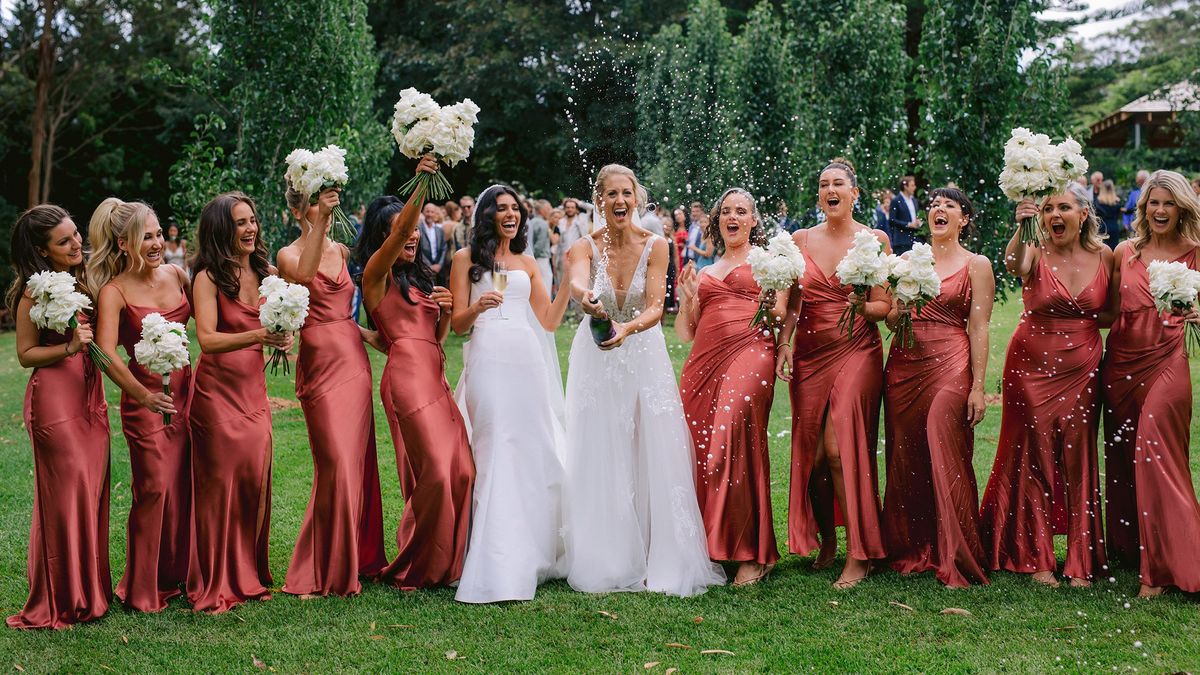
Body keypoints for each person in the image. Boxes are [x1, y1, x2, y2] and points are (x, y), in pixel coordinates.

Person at [563, 164, 724, 597]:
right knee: (602, 443)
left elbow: (656, 307)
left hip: (641, 350)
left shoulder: (655, 245)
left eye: (625, 193)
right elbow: (578, 282)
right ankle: (609, 552)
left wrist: (626, 329)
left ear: (637, 198)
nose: (619, 201)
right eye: (610, 194)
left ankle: (657, 550)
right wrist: (587, 299)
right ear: (599, 201)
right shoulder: (584, 245)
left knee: (650, 443)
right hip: (595, 355)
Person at [979, 181, 1113, 588]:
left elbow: (1112, 314)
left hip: (1083, 368)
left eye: (1064, 208)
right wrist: (1022, 226)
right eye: (1048, 209)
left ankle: (1080, 558)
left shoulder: (1105, 255)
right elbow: (1013, 265)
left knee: (1078, 455)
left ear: (1083, 214)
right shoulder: (1034, 250)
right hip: (1031, 364)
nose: (1056, 215)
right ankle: (1035, 555)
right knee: (1034, 452)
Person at [450, 183, 571, 604]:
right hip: (487, 358)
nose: (511, 214)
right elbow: (456, 326)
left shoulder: (527, 262)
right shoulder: (466, 260)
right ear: (486, 215)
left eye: (514, 209)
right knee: (494, 445)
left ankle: (533, 548)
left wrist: (570, 283)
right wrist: (478, 307)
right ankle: (494, 555)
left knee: (529, 446)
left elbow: (550, 321)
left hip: (525, 360)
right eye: (501, 209)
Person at [775, 158, 891, 589]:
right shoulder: (800, 239)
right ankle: (827, 540)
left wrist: (863, 306)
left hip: (857, 349)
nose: (830, 189)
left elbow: (884, 307)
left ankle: (861, 553)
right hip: (808, 354)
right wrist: (784, 343)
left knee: (840, 450)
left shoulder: (873, 239)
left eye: (838, 183)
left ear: (854, 193)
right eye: (823, 184)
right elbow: (791, 304)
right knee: (816, 456)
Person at [361, 157, 475, 590]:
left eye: (414, 232)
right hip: (406, 381)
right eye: (402, 231)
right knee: (435, 474)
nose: (411, 236)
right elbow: (400, 230)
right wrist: (423, 183)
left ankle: (449, 561)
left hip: (436, 377)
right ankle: (420, 562)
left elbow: (437, 336)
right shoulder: (376, 275)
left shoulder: (419, 280)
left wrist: (445, 312)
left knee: (462, 469)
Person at [275, 181, 388, 597]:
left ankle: (358, 557)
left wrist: (373, 334)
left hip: (353, 363)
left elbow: (350, 306)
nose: (321, 209)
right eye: (312, 205)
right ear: (297, 211)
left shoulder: (341, 251)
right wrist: (321, 217)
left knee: (357, 460)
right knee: (336, 462)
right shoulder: (288, 256)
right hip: (320, 366)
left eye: (323, 203)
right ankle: (322, 566)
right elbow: (303, 276)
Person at [880, 188, 995, 588]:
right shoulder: (908, 260)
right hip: (906, 360)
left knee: (943, 442)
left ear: (964, 218)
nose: (939, 210)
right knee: (905, 451)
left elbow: (979, 326)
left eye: (950, 206)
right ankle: (911, 547)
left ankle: (956, 550)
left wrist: (978, 387)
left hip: (951, 361)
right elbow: (892, 320)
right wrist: (902, 311)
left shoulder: (977, 264)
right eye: (934, 205)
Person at [676, 188, 789, 586]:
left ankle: (751, 552)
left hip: (751, 352)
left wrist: (781, 331)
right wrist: (689, 297)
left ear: (754, 220)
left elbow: (781, 314)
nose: (733, 216)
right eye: (726, 211)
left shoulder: (769, 264)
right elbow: (687, 331)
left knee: (729, 436)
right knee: (700, 449)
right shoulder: (706, 271)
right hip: (703, 365)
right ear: (717, 220)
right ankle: (714, 545)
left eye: (742, 211)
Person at [6, 205, 111, 629]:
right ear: (41, 250)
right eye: (64, 241)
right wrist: (69, 348)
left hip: (91, 399)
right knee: (65, 497)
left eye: (76, 235)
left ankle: (90, 590)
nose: (76, 244)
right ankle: (62, 597)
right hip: (55, 403)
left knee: (89, 491)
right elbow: (25, 354)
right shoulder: (35, 291)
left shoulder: (84, 280)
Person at [187, 192, 292, 613]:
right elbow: (208, 340)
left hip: (253, 393)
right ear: (221, 230)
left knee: (253, 480)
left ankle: (248, 569)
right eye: (240, 222)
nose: (250, 229)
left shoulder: (266, 273)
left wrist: (283, 338)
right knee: (220, 486)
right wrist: (257, 337)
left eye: (253, 220)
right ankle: (216, 577)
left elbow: (278, 323)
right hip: (216, 396)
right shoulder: (208, 279)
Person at [89, 198, 193, 612]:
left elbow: (208, 312)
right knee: (153, 488)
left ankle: (179, 574)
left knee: (183, 485)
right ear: (123, 244)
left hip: (186, 395)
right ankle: (142, 586)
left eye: (156, 234)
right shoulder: (114, 292)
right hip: (144, 401)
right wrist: (143, 395)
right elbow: (107, 352)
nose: (155, 243)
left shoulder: (176, 273)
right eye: (144, 237)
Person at [1102, 170, 1200, 598]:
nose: (1160, 210)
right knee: (1124, 458)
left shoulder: (1197, 253)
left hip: (1168, 364)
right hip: (1121, 365)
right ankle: (1132, 548)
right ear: (1143, 208)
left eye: (1168, 203)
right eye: (1153, 203)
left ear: (1182, 207)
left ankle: (1163, 569)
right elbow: (1104, 313)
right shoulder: (1125, 251)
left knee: (1156, 454)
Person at [888, 175, 922, 255]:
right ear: (905, 186)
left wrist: (919, 222)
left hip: (915, 239)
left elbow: (917, 216)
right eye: (912, 185)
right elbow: (892, 220)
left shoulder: (914, 200)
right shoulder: (896, 201)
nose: (915, 187)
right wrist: (908, 224)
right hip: (902, 240)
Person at [528, 199, 554, 293]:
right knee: (545, 284)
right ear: (543, 210)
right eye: (549, 208)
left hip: (533, 257)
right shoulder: (542, 224)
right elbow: (539, 245)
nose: (551, 210)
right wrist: (533, 258)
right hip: (541, 259)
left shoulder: (531, 222)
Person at [418, 203, 446, 286]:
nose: (429, 214)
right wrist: (429, 266)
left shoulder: (439, 230)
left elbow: (443, 248)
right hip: (424, 269)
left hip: (439, 269)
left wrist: (439, 265)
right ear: (423, 212)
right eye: (427, 211)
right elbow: (418, 249)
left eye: (432, 212)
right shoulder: (418, 229)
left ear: (435, 214)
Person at [1095, 179, 1124, 250]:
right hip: (1114, 227)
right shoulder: (1117, 202)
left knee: (1101, 250)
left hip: (1102, 228)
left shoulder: (1098, 202)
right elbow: (1119, 215)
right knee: (1114, 250)